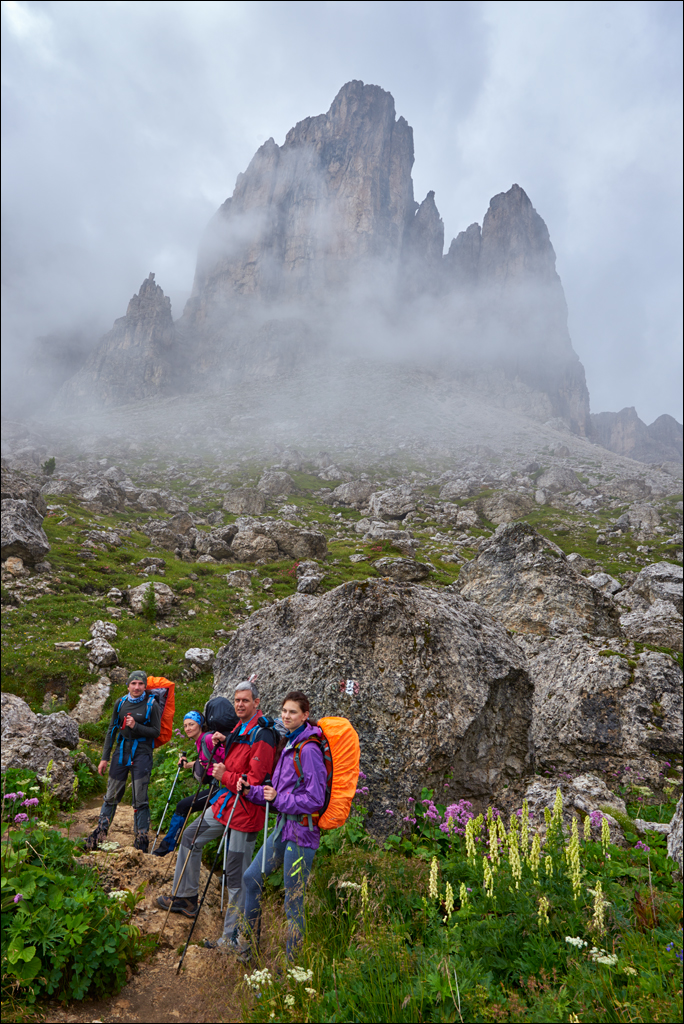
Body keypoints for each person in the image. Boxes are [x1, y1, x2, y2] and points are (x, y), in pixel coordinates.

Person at [156, 680, 277, 947]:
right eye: (237, 700)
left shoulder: (263, 735)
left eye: (245, 700)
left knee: (235, 874)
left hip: (245, 813)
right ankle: (186, 898)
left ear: (256, 702)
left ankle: (232, 939)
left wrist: (225, 775)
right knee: (190, 836)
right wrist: (225, 740)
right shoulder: (238, 728)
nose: (240, 704)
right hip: (225, 805)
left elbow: (255, 782)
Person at [239, 690, 326, 963]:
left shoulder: (308, 749)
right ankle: (247, 947)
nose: (286, 716)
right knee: (251, 878)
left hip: (302, 834)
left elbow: (315, 799)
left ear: (305, 715)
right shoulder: (289, 743)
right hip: (283, 828)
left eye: (293, 712)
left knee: (293, 902)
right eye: (284, 711)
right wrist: (249, 791)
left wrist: (278, 799)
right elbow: (274, 793)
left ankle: (292, 968)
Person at [84, 670, 161, 853]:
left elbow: (156, 732)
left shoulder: (152, 705)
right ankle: (100, 833)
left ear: (145, 686)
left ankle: (141, 839)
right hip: (121, 752)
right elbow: (112, 730)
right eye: (133, 683)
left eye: (140, 684)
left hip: (142, 753)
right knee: (111, 793)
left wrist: (136, 726)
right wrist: (104, 758)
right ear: (128, 685)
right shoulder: (120, 703)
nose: (137, 687)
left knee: (139, 797)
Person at [151, 711, 227, 856]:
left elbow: (227, 757)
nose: (187, 728)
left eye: (191, 724)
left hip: (220, 788)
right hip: (215, 786)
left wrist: (224, 773)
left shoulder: (208, 739)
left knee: (183, 806)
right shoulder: (200, 741)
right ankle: (169, 847)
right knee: (184, 806)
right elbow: (205, 760)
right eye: (185, 725)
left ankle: (166, 849)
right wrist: (188, 765)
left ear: (200, 724)